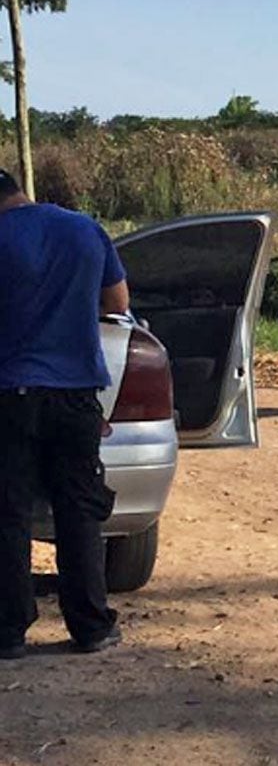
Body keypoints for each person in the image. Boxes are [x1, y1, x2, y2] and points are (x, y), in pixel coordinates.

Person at [0, 167, 129, 658]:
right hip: (75, 397)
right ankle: (91, 627)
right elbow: (117, 303)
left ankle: (8, 632)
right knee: (79, 512)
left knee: (7, 515)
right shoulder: (83, 228)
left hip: (8, 395)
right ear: (20, 191)